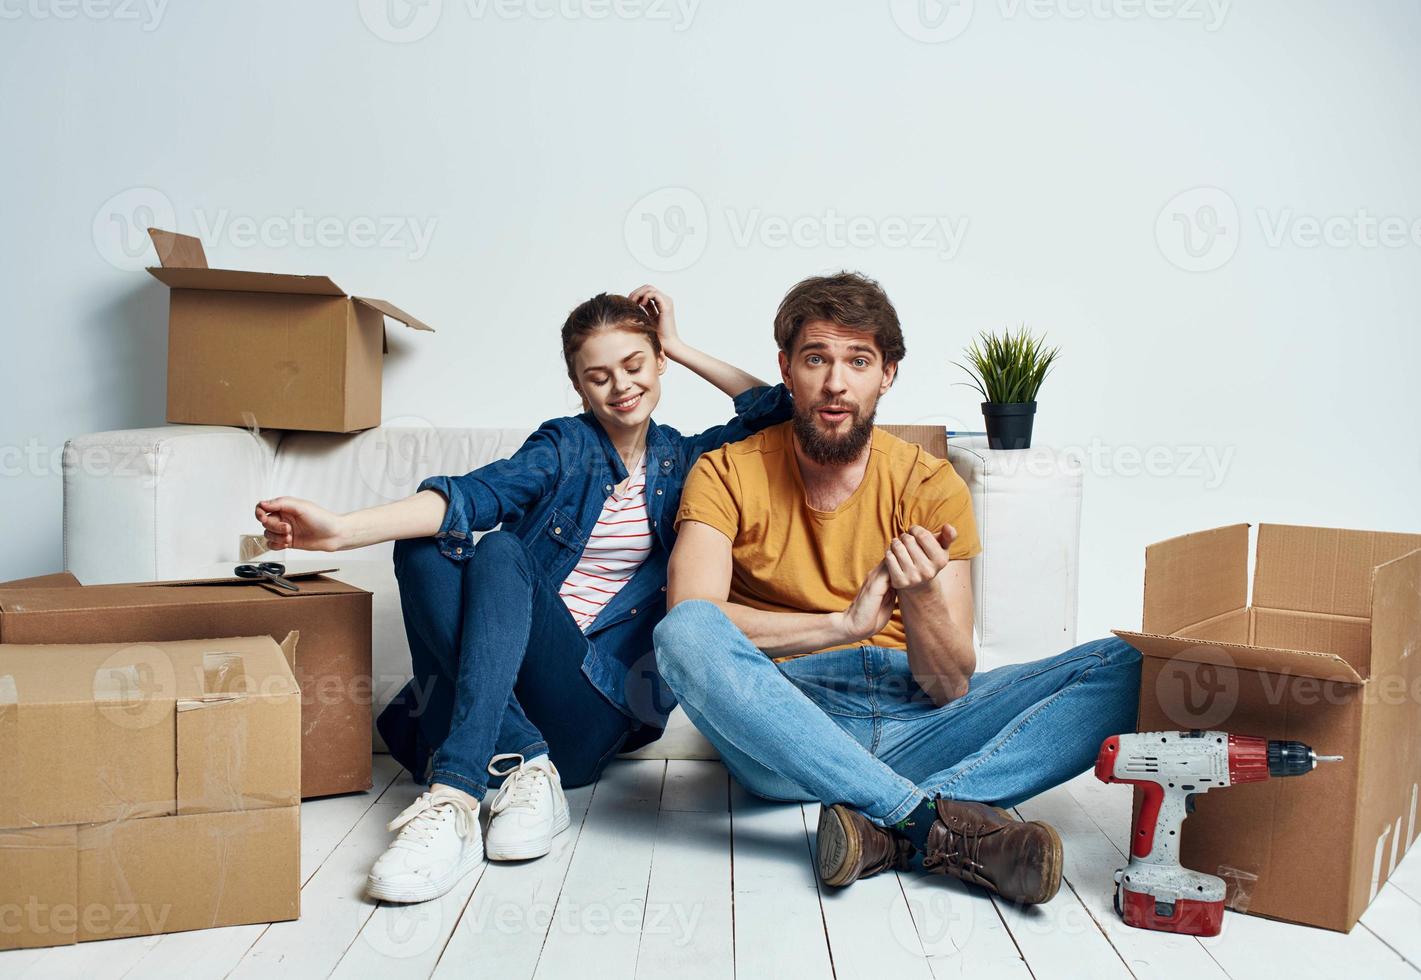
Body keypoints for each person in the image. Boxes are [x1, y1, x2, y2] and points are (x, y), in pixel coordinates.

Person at [253, 286, 793, 904]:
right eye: (598, 376)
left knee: (500, 550)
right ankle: (514, 769)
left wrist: (678, 341)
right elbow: (472, 494)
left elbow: (778, 412)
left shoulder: (688, 460)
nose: (620, 387)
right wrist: (341, 531)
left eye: (635, 365)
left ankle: (455, 786)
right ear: (578, 386)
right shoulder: (563, 447)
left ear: (659, 363)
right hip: (505, 701)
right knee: (427, 547)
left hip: (591, 713)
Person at [652, 271, 1142, 905]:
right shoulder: (724, 472)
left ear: (887, 374)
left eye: (858, 361)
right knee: (682, 630)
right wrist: (842, 625)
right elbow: (694, 618)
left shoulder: (930, 484)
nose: (836, 383)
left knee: (1134, 664)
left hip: (920, 713)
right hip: (786, 720)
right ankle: (930, 823)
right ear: (786, 369)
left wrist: (924, 595)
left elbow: (950, 686)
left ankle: (889, 824)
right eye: (816, 359)